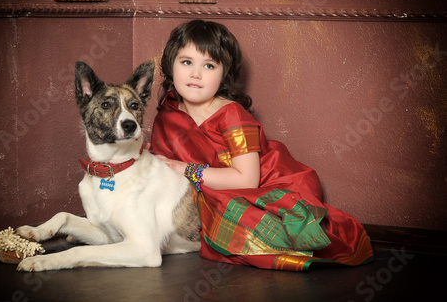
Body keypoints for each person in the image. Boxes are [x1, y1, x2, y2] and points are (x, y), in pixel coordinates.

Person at [151, 19, 374, 271]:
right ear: (171, 63)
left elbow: (246, 180)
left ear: (224, 73)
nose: (195, 74)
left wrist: (185, 169)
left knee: (245, 222)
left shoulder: (230, 114)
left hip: (262, 185)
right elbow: (160, 169)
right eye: (187, 62)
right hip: (210, 188)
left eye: (209, 65)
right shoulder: (168, 115)